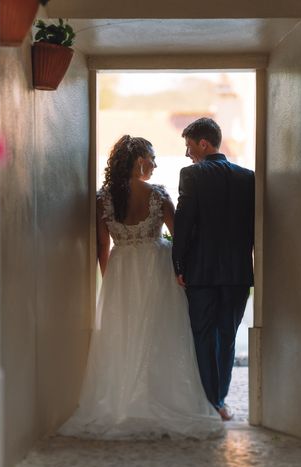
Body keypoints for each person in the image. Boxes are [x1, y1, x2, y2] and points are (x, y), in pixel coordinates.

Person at [58, 135, 224, 440]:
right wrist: (182, 273)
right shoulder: (158, 196)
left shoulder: (102, 199)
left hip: (121, 271)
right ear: (139, 161)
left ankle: (126, 404)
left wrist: (110, 281)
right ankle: (159, 400)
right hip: (155, 271)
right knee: (161, 334)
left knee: (124, 336)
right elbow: (180, 241)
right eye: (152, 157)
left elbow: (102, 245)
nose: (155, 164)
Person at [173, 118, 255, 421]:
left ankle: (212, 402)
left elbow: (184, 222)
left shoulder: (192, 175)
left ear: (203, 144)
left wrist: (178, 263)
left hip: (201, 271)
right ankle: (219, 399)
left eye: (189, 146)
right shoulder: (249, 178)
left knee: (204, 335)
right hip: (237, 273)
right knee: (227, 336)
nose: (187, 154)